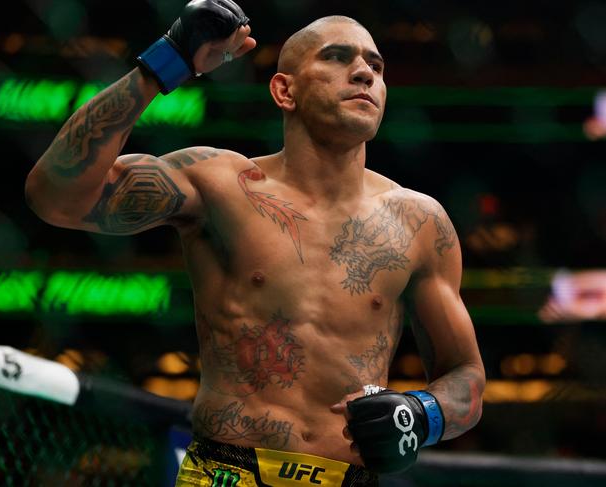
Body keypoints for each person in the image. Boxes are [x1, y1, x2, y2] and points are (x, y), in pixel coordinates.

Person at [25, 1, 485, 485]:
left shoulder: (418, 221)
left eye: (375, 65)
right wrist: (165, 63)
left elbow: (466, 382)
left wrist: (421, 411)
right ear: (284, 90)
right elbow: (56, 198)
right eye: (337, 57)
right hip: (228, 471)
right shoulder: (220, 183)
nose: (364, 73)